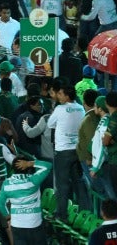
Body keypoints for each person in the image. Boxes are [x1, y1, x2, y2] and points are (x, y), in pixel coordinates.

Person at [48, 85, 88, 217]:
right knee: (79, 183)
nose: (58, 96)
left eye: (60, 94)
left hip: (63, 151)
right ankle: (85, 214)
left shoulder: (60, 109)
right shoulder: (80, 108)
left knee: (62, 184)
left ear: (67, 96)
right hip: (76, 151)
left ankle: (61, 213)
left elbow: (50, 124)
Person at [0, 156, 51, 245]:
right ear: (27, 168)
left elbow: (0, 203)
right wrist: (30, 163)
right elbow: (48, 165)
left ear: (12, 168)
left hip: (17, 225)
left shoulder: (7, 184)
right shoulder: (33, 180)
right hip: (35, 224)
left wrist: (8, 217)